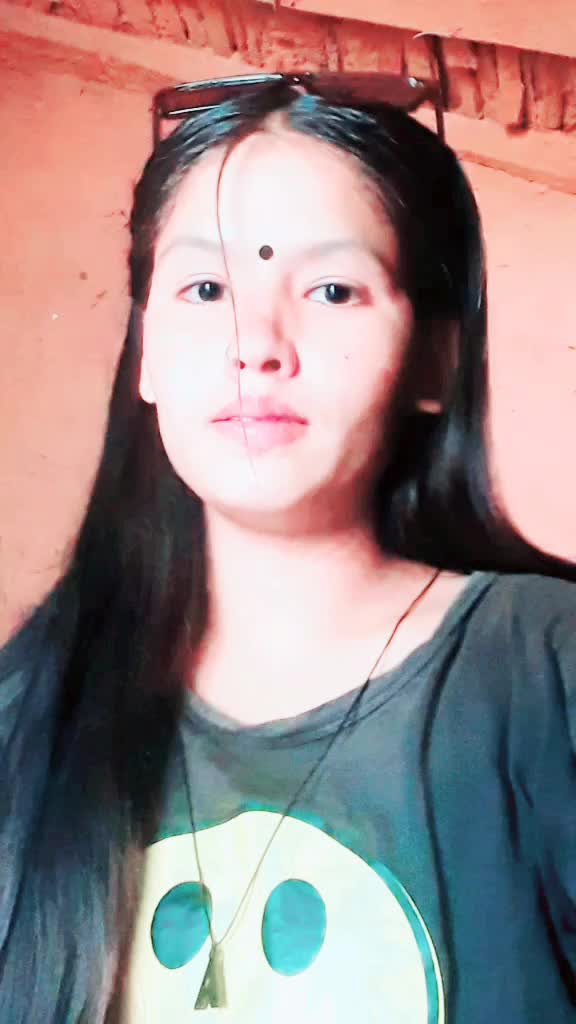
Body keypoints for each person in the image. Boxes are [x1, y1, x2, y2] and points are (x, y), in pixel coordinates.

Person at [1, 73, 575, 1024]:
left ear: (435, 361)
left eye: (332, 289)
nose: (255, 345)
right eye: (206, 288)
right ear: (147, 353)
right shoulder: (27, 710)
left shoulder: (547, 670)